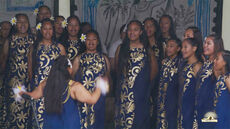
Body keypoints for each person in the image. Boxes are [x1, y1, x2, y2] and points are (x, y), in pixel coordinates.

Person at [21, 55, 105, 129]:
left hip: (50, 125)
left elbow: (32, 96)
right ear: (68, 69)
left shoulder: (46, 84)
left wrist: (20, 91)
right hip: (68, 125)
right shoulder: (74, 87)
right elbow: (93, 99)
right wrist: (99, 85)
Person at [115, 20, 158, 129]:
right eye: (129, 30)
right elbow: (116, 68)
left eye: (135, 30)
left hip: (141, 92)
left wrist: (143, 84)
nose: (132, 32)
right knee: (124, 119)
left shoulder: (147, 49)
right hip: (124, 92)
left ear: (141, 32)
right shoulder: (121, 48)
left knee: (139, 119)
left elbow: (154, 70)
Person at [31, 18, 66, 128]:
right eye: (45, 29)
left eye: (50, 28)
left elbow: (65, 69)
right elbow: (30, 71)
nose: (47, 31)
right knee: (40, 116)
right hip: (40, 88)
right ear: (41, 30)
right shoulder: (35, 47)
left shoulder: (60, 47)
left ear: (53, 30)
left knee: (54, 117)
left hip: (55, 88)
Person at [72, 29, 110, 129]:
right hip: (82, 96)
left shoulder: (104, 58)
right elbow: (72, 78)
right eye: (88, 39)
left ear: (97, 42)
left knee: (98, 120)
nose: (91, 42)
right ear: (84, 41)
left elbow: (107, 77)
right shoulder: (79, 58)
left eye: (94, 39)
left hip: (99, 97)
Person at [1, 13, 35, 128]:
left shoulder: (34, 39)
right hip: (14, 82)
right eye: (20, 21)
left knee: (28, 110)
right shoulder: (10, 40)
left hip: (29, 80)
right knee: (15, 109)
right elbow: (4, 61)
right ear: (15, 24)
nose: (23, 24)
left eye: (25, 21)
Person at [194, 34, 224, 129]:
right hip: (200, 105)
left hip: (210, 107)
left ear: (216, 46)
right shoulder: (206, 63)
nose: (205, 46)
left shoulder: (218, 65)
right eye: (205, 43)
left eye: (208, 43)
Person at [156, 38, 181, 129]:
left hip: (173, 99)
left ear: (178, 49)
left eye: (171, 46)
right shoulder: (164, 62)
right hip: (162, 98)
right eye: (167, 46)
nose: (168, 49)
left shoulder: (180, 63)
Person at [177, 38, 202, 129]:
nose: (182, 50)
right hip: (182, 106)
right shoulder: (184, 65)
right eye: (182, 47)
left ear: (194, 48)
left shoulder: (198, 66)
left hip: (191, 107)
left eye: (185, 47)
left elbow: (199, 91)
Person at [213, 50, 230, 129]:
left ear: (225, 62)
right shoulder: (221, 77)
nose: (214, 61)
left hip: (225, 117)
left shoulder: (228, 78)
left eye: (217, 59)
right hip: (218, 115)